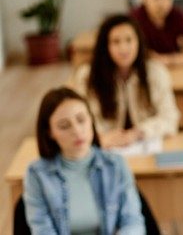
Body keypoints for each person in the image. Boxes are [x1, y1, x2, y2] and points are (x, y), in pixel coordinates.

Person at [24, 87, 145, 234]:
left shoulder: (115, 164)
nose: (76, 130)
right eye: (64, 126)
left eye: (81, 120)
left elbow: (132, 222)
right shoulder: (37, 174)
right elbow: (42, 230)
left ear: (91, 120)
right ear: (50, 132)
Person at [68, 14, 180, 148]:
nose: (123, 48)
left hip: (144, 145)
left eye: (129, 40)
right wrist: (101, 138)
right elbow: (79, 119)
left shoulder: (156, 72)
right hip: (103, 147)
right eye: (116, 42)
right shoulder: (87, 76)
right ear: (105, 46)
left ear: (139, 42)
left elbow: (170, 118)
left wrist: (139, 132)